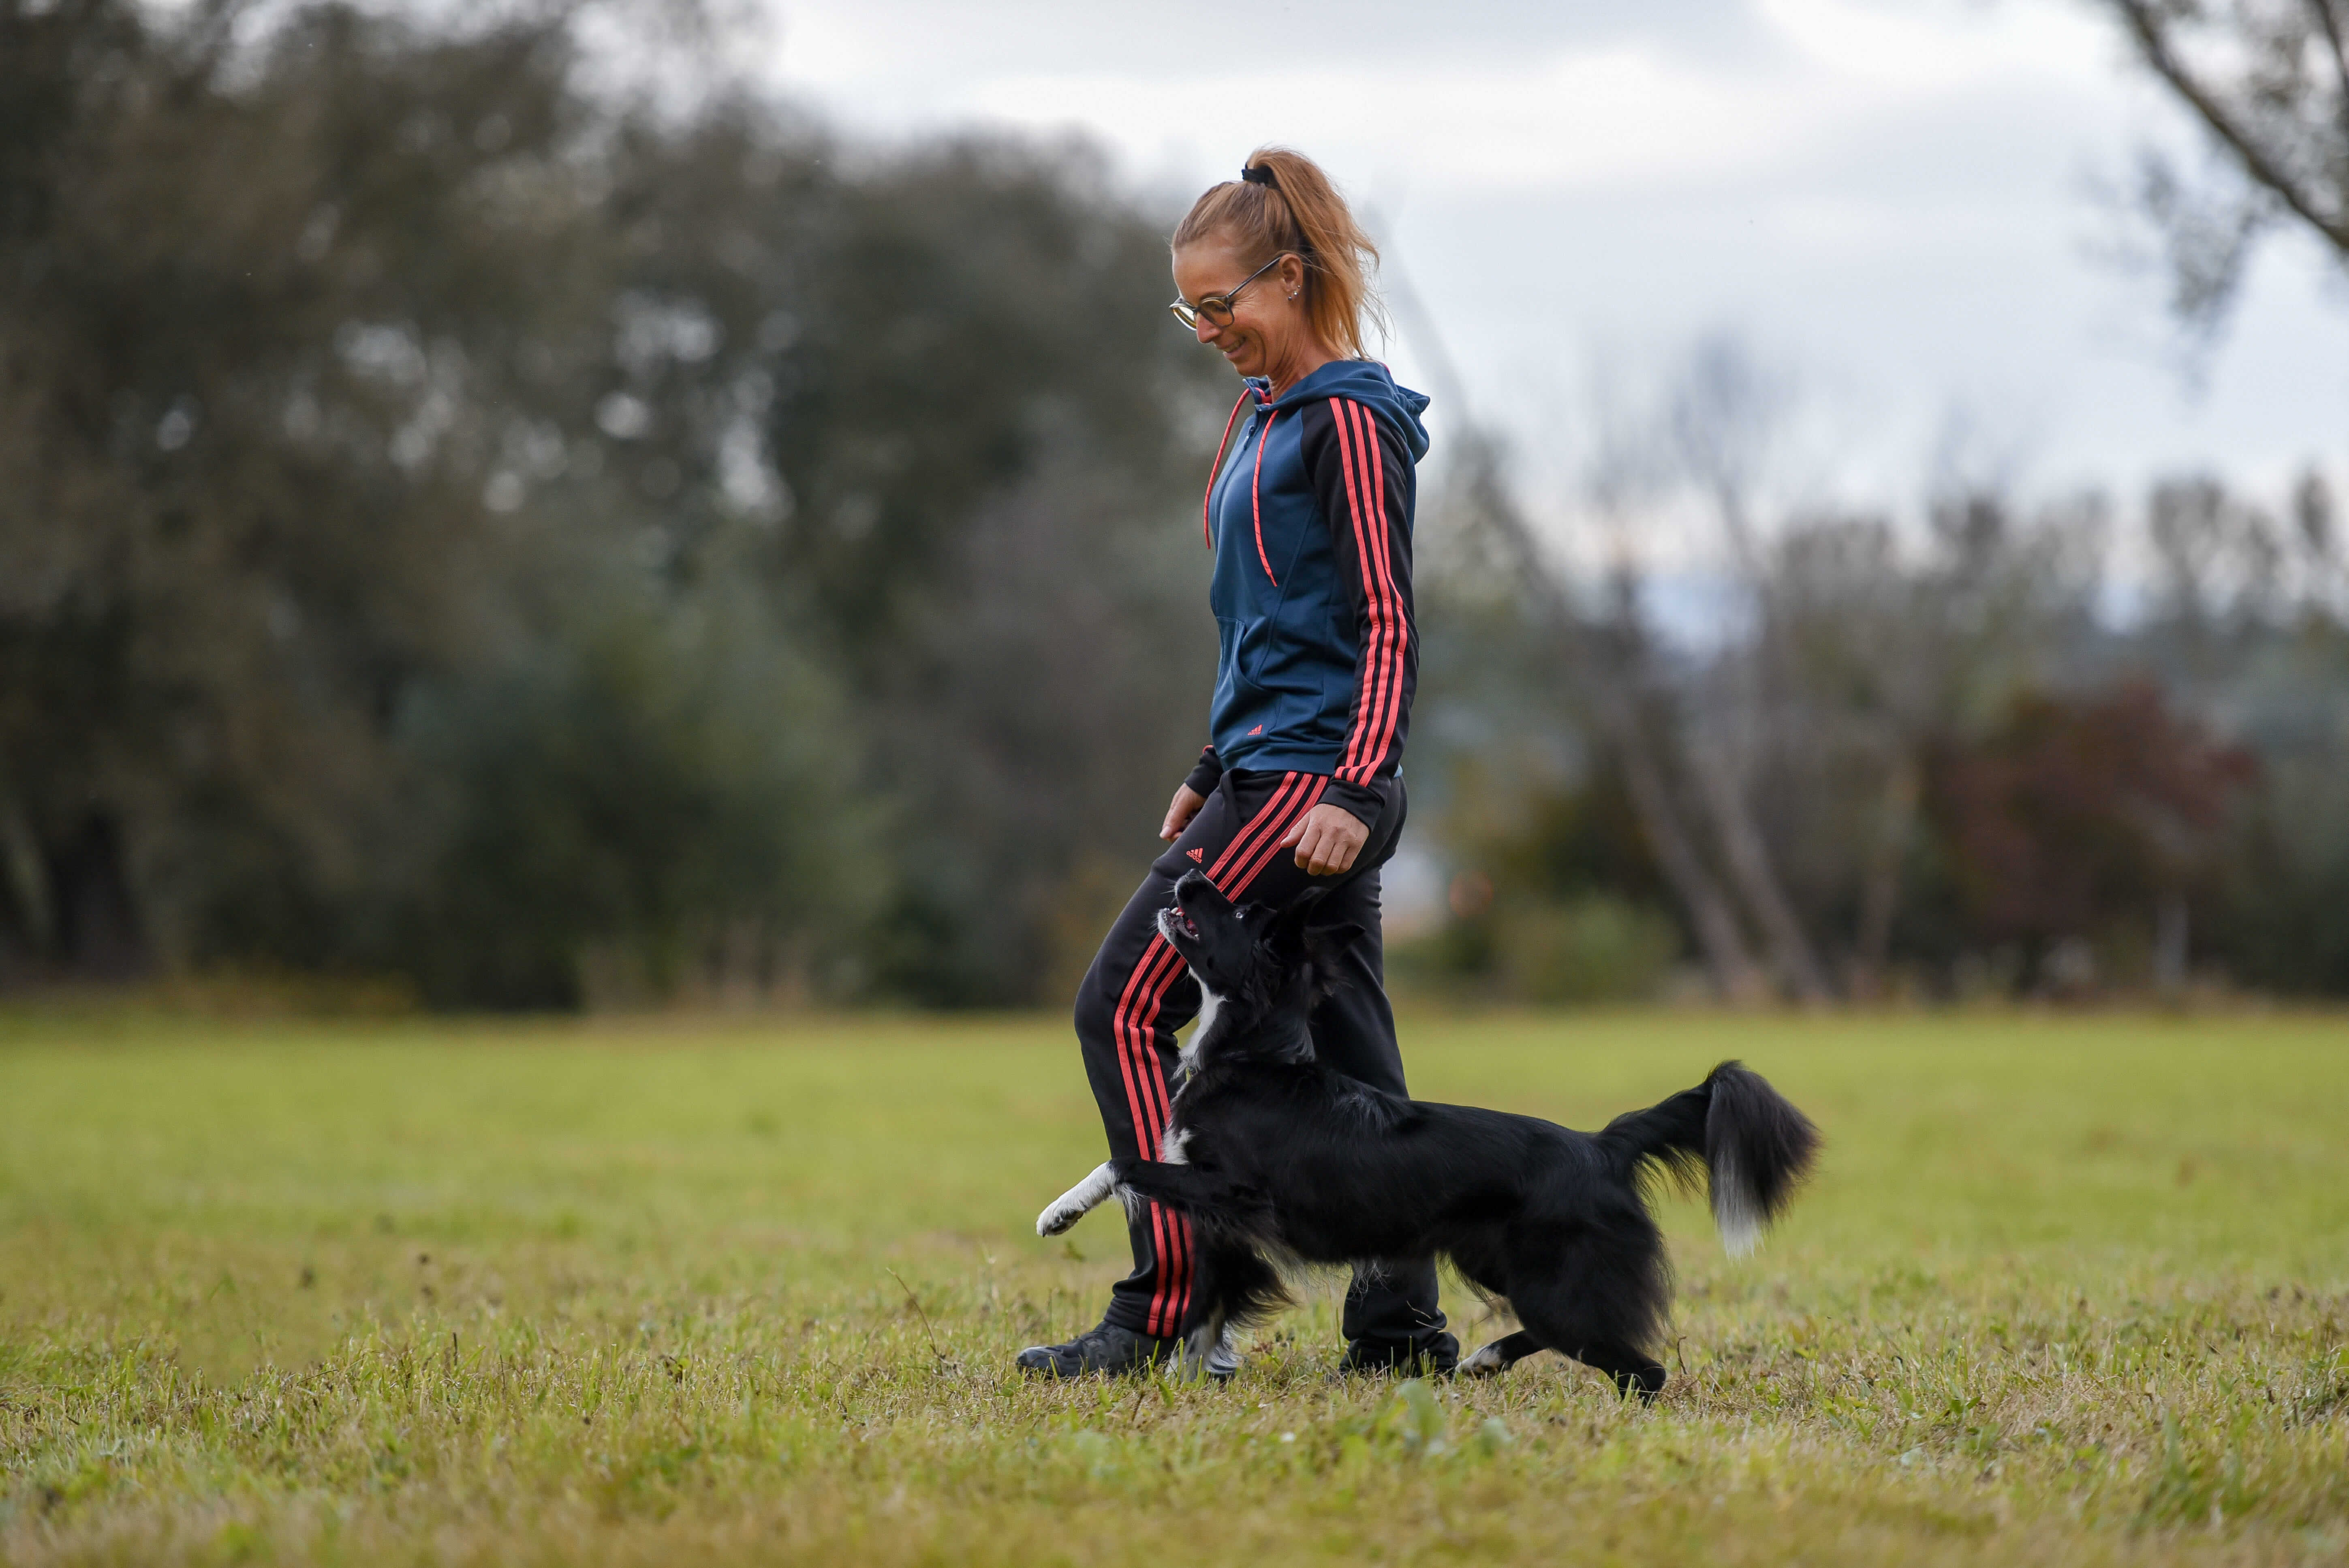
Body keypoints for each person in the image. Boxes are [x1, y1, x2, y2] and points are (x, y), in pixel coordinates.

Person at [1017, 147, 1456, 1380]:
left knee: (1124, 1004)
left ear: (1294, 276)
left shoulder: (1353, 425)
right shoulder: (1256, 419)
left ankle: (1167, 1309)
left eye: (1225, 305)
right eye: (1189, 310)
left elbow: (1383, 622)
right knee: (1354, 1058)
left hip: (1316, 781)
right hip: (1265, 770)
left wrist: (1356, 788)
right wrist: (1212, 763)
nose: (1207, 330)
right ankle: (1401, 1331)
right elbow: (1267, 617)